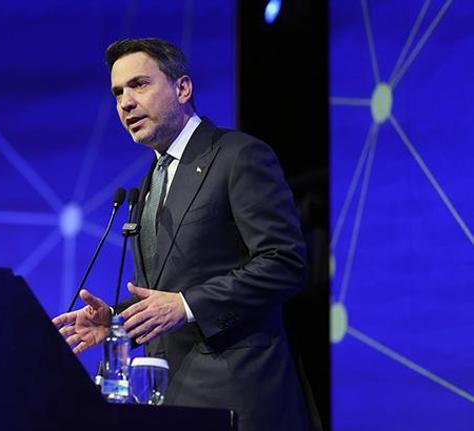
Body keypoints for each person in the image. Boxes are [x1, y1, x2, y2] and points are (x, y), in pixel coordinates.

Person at [52, 38, 312, 431]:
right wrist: (117, 323)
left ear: (183, 88)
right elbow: (167, 292)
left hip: (238, 398)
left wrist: (187, 305)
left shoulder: (238, 156)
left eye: (139, 84)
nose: (125, 103)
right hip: (172, 401)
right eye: (118, 93)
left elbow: (285, 262)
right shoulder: (150, 182)